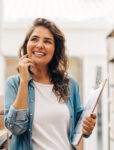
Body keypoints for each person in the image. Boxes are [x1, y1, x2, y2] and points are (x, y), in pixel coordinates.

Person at [4, 18, 96, 150]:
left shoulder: (70, 83)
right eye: (34, 39)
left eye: (47, 41)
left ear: (55, 49)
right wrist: (24, 81)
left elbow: (79, 125)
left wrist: (88, 126)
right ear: (27, 45)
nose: (40, 45)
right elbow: (16, 128)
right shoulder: (14, 83)